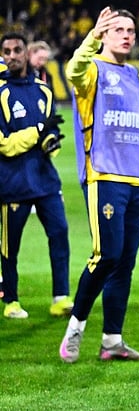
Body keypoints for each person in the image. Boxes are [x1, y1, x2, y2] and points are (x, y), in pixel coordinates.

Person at [60, 7, 139, 363]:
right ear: (105, 35)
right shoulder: (93, 70)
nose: (127, 35)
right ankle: (77, 326)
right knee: (106, 255)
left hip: (137, 178)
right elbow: (73, 71)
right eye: (119, 30)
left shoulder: (134, 75)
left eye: (130, 30)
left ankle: (112, 341)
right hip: (104, 173)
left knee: (125, 262)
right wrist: (91, 38)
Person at [0, 32, 71, 319]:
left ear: (27, 52)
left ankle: (60, 297)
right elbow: (4, 144)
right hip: (12, 183)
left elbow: (51, 128)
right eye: (6, 51)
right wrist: (37, 133)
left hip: (45, 180)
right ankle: (12, 301)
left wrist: (50, 141)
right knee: (10, 245)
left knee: (60, 233)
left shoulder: (44, 89)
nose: (12, 55)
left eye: (17, 50)